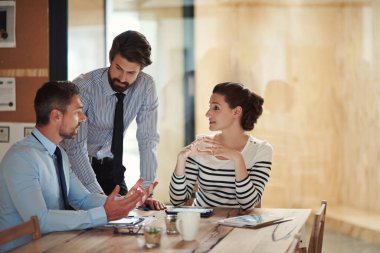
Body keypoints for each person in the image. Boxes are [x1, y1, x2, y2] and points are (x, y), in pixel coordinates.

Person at [0, 81, 155, 252]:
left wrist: (125, 201)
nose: (83, 118)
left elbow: (82, 199)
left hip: (54, 244)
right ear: (56, 116)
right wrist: (103, 214)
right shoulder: (21, 158)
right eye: (77, 112)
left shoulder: (59, 153)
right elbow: (40, 220)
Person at [62, 30, 162, 208]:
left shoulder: (146, 86)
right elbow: (76, 149)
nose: (123, 78)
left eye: (131, 73)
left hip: (112, 168)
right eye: (118, 68)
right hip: (76, 169)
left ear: (141, 70)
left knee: (126, 223)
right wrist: (100, 198)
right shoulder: (85, 88)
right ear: (110, 59)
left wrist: (144, 191)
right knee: (84, 230)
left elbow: (148, 140)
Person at [169, 82, 273, 210]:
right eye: (209, 107)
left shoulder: (261, 150)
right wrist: (181, 158)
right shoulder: (201, 144)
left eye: (216, 108)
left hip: (240, 226)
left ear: (236, 112)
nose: (208, 113)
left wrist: (237, 158)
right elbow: (177, 201)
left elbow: (248, 204)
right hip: (202, 223)